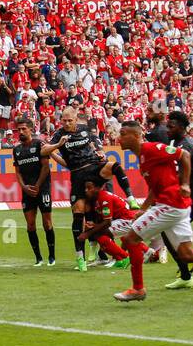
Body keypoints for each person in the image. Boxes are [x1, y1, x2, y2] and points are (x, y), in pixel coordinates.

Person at [110, 121, 193, 302]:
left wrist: (186, 184)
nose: (119, 137)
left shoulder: (151, 148)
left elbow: (185, 155)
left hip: (171, 205)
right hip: (176, 206)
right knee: (187, 255)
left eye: (123, 133)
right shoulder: (141, 157)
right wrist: (143, 209)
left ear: (136, 135)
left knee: (131, 239)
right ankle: (138, 288)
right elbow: (155, 187)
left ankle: (138, 289)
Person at [45, 107, 137, 272]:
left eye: (69, 120)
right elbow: (44, 150)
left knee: (115, 166)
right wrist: (58, 145)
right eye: (64, 120)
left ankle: (130, 198)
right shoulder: (59, 134)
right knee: (79, 215)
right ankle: (80, 257)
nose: (66, 123)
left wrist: (100, 152)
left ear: (75, 119)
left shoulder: (84, 129)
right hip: (78, 175)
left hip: (94, 167)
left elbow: (97, 142)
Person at [162, 111, 193, 290]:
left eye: (171, 126)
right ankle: (185, 275)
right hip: (192, 200)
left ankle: (189, 262)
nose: (168, 129)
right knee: (166, 228)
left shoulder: (183, 146)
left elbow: (177, 175)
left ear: (181, 127)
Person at [13, 117, 55, 266]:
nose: (21, 132)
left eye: (24, 129)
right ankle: (38, 258)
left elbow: (45, 167)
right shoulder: (16, 150)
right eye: (19, 130)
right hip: (27, 191)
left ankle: (51, 256)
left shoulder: (39, 144)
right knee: (30, 225)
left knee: (47, 224)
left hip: (42, 189)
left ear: (31, 129)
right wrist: (24, 187)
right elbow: (17, 172)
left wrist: (37, 186)